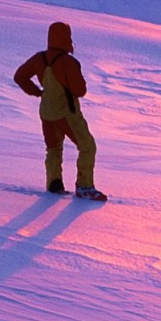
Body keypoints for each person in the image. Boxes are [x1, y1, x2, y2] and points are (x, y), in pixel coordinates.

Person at [14, 21, 107, 201]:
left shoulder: (39, 58)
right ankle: (84, 186)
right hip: (66, 113)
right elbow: (79, 90)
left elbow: (20, 77)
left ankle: (53, 184)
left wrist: (38, 92)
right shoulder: (68, 62)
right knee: (87, 146)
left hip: (46, 112)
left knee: (53, 148)